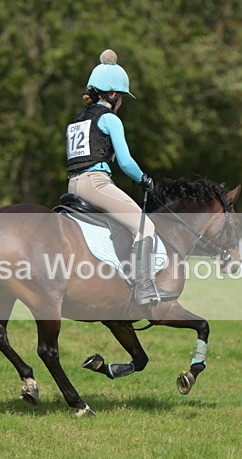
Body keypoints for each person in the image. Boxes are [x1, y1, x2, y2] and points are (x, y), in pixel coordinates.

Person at [66, 49, 177, 306]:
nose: (122, 103)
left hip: (72, 186)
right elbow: (126, 162)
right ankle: (144, 287)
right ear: (113, 95)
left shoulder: (76, 121)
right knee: (144, 225)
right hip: (96, 184)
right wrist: (144, 179)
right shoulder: (110, 119)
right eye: (123, 98)